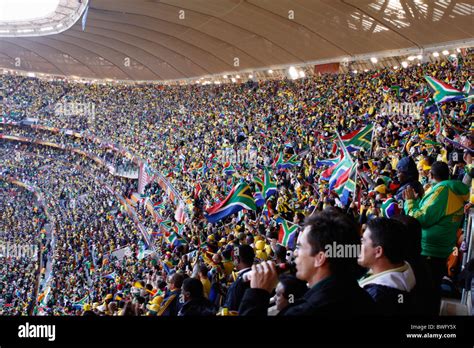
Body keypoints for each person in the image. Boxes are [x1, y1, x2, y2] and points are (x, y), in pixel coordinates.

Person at [239, 209, 375, 316]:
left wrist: (257, 293)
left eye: (299, 247)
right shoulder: (363, 298)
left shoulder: (307, 310)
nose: (296, 253)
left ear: (320, 258)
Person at [403, 161, 469, 313]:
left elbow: (420, 219)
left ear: (431, 175)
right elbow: (437, 214)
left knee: (425, 291)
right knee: (431, 288)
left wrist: (410, 203)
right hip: (441, 248)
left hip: (430, 250)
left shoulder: (442, 191)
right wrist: (419, 201)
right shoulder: (451, 190)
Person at [358, 218, 416, 315]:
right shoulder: (405, 266)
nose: (359, 246)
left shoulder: (375, 298)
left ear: (378, 251)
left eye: (363, 241)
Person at [223, 244, 255, 312]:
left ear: (237, 259)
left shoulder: (236, 285)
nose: (233, 261)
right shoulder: (259, 276)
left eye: (233, 259)